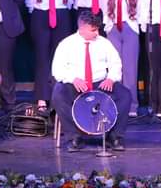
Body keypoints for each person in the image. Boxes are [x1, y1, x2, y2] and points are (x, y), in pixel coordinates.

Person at [50, 10, 130, 152]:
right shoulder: (66, 44)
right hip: (75, 85)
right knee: (58, 94)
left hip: (99, 83)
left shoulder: (104, 43)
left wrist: (111, 78)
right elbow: (57, 70)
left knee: (125, 95)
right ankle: (74, 137)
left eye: (97, 29)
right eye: (93, 30)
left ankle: (114, 136)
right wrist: (73, 79)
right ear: (82, 28)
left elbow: (115, 63)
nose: (97, 33)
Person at [25, 0, 75, 115]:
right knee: (42, 59)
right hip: (40, 16)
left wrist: (60, 13)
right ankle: (41, 98)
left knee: (59, 58)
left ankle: (57, 98)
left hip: (61, 16)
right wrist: (40, 14)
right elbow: (29, 2)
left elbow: (70, 0)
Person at [100, 0, 141, 116]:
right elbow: (104, 10)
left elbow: (140, 10)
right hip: (113, 29)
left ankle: (132, 106)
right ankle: (115, 104)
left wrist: (135, 24)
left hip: (129, 28)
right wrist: (108, 27)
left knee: (130, 69)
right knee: (115, 67)